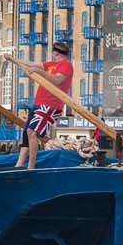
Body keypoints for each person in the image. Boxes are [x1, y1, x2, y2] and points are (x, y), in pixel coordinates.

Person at [18, 40, 76, 171]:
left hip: (51, 105)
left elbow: (56, 80)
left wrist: (40, 72)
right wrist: (13, 59)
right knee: (26, 135)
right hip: (38, 103)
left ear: (55, 52)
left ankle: (31, 167)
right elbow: (31, 64)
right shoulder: (50, 64)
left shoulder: (66, 65)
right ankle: (19, 165)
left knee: (31, 132)